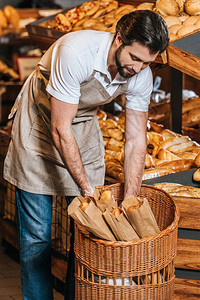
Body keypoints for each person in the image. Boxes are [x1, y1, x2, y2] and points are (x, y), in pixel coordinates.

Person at [3, 9, 169, 300]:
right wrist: (85, 188)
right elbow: (59, 128)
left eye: (148, 62)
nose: (140, 69)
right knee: (37, 239)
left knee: (86, 235)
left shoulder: (140, 74)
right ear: (119, 39)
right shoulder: (76, 52)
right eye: (135, 59)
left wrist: (131, 196)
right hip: (40, 125)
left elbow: (135, 140)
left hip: (82, 126)